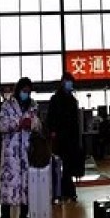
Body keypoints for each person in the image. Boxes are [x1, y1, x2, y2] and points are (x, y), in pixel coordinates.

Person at [0, 77, 41, 218]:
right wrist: (17, 124)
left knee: (26, 187)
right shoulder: (7, 106)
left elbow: (39, 124)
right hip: (11, 155)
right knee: (9, 186)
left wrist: (32, 124)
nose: (26, 94)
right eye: (24, 91)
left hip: (27, 153)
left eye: (28, 92)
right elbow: (0, 125)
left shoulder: (33, 106)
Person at [46, 72, 81, 202]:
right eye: (68, 82)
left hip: (71, 137)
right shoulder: (55, 99)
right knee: (58, 164)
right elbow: (50, 118)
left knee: (68, 165)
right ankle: (61, 190)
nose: (70, 84)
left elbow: (75, 122)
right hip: (59, 137)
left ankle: (66, 190)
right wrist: (52, 131)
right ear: (63, 82)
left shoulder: (72, 100)